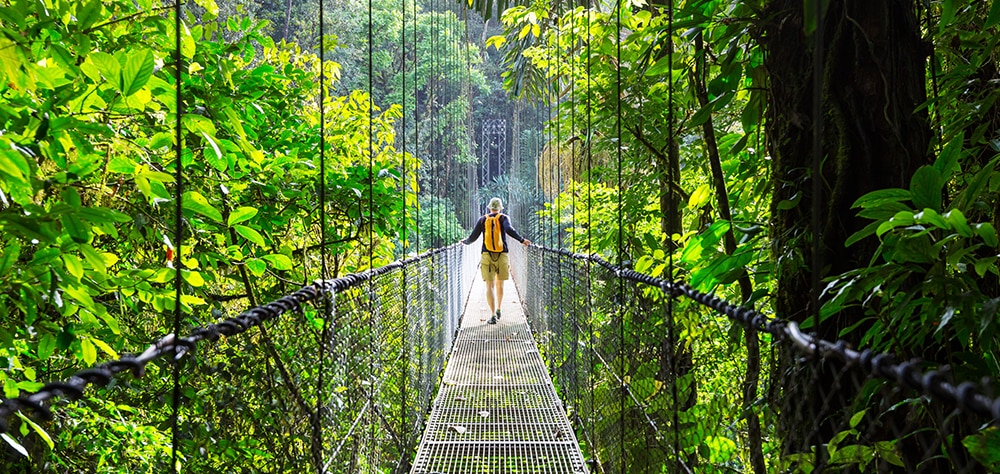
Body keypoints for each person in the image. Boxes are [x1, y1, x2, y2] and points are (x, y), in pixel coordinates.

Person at [461, 197, 531, 324]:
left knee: (489, 285)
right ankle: (499, 308)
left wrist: (465, 242)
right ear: (500, 208)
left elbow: (473, 237)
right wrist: (522, 240)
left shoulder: (482, 219)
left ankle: (492, 315)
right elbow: (509, 230)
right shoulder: (504, 218)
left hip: (487, 254)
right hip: (502, 254)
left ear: (489, 208)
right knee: (500, 283)